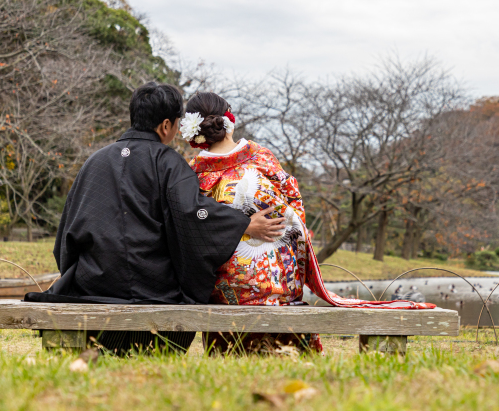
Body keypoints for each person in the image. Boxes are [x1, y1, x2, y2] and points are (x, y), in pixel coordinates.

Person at [25, 82, 285, 354]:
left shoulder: (94, 162)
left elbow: (67, 233)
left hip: (91, 285)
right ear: (165, 126)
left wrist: (82, 275)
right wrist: (244, 223)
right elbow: (194, 215)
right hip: (155, 290)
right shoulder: (168, 163)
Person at [181, 92, 436, 354]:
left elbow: (193, 227)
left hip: (224, 287)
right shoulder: (259, 156)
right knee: (283, 256)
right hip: (276, 281)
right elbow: (294, 203)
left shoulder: (192, 172)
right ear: (228, 119)